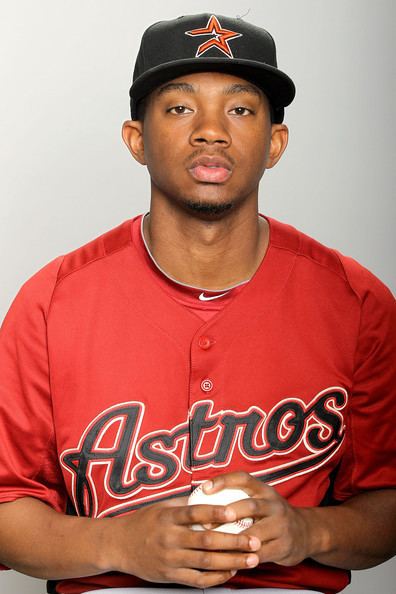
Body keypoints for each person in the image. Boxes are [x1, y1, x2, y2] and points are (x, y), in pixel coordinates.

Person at [0, 12, 395, 594]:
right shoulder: (51, 303)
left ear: (275, 143)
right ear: (136, 139)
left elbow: (386, 505)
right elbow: (7, 509)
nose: (211, 130)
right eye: (180, 108)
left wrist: (306, 532)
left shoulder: (356, 302)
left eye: (240, 109)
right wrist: (119, 543)